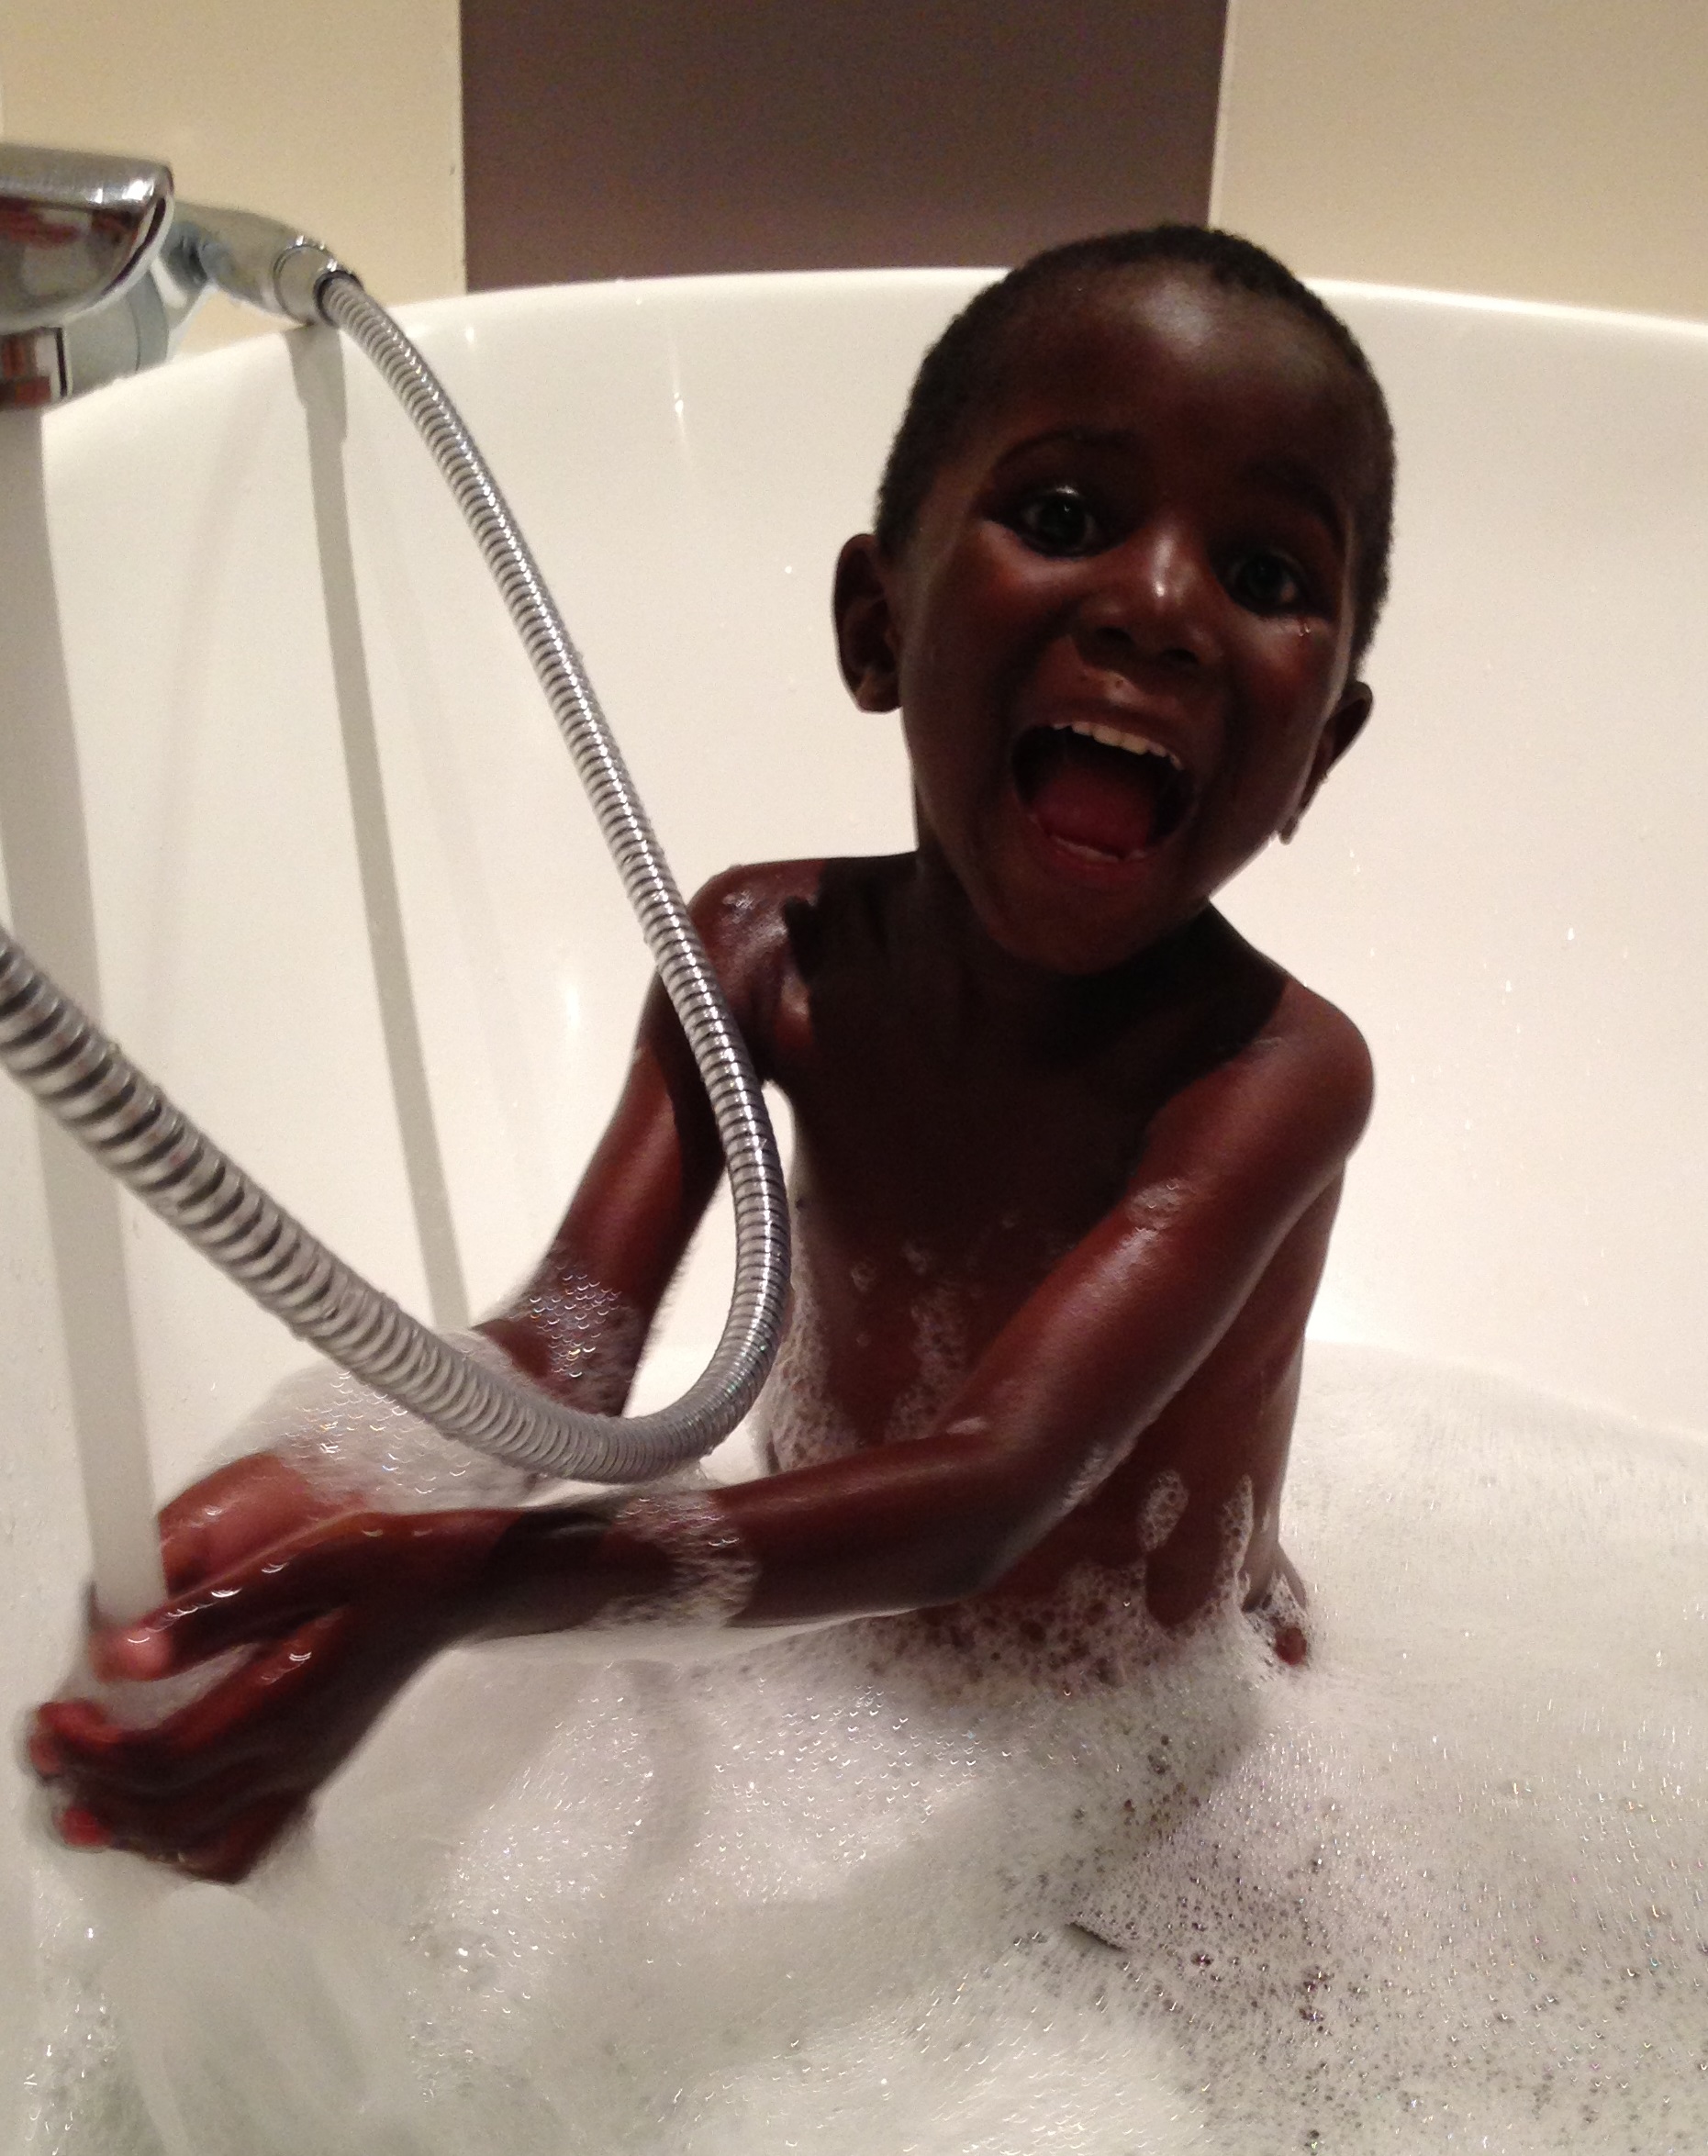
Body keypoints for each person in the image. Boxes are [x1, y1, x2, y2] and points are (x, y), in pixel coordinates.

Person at [29, 225, 1393, 1885]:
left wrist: (457, 1584)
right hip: (816, 1639)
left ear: (1320, 750)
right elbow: (567, 1346)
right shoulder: (758, 953)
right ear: (874, 625)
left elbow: (992, 1488)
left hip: (1167, 1746)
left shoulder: (1269, 1074)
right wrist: (324, 1492)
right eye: (1061, 519)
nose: (1161, 608)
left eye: (1263, 575)